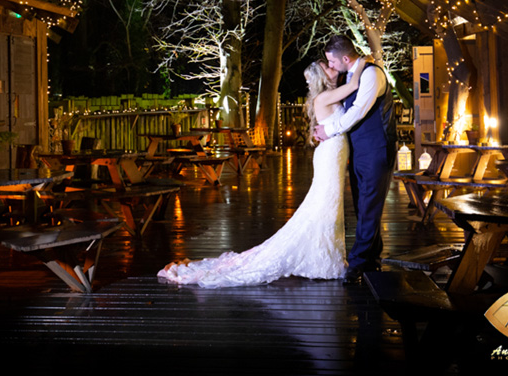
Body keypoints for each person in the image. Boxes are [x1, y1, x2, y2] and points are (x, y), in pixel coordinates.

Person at [157, 58, 365, 288]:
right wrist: (365, 59)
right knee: (326, 205)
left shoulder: (331, 94)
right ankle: (325, 260)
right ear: (322, 77)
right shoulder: (325, 97)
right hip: (330, 155)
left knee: (327, 206)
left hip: (333, 153)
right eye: (328, 67)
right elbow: (355, 85)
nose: (332, 67)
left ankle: (323, 257)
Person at [314, 35, 396, 284]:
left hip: (377, 148)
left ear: (345, 58)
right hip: (359, 150)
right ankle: (371, 259)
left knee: (369, 206)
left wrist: (329, 131)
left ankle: (358, 263)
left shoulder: (372, 75)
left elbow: (358, 110)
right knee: (363, 206)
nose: (331, 66)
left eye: (332, 61)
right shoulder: (352, 76)